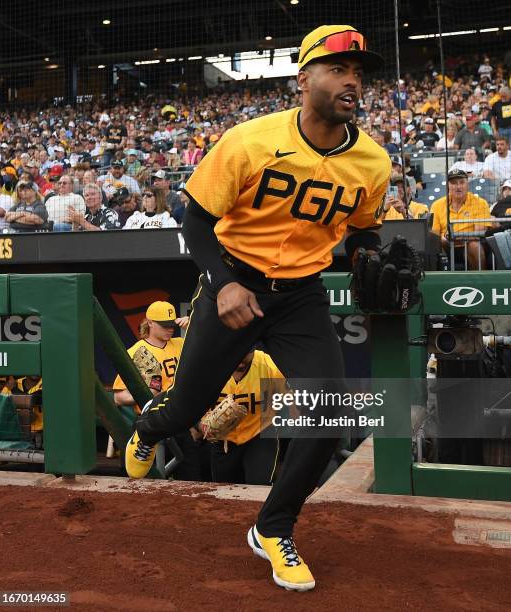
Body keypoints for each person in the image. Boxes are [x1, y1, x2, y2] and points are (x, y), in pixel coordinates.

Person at [125, 24, 389, 592]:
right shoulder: (249, 140)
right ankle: (149, 427)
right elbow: (195, 219)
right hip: (234, 283)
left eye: (359, 73)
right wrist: (220, 281)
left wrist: (372, 262)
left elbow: (365, 234)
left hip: (301, 295)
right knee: (184, 410)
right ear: (304, 79)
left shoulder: (372, 161)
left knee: (331, 410)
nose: (352, 81)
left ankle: (273, 527)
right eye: (339, 68)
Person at [113, 302, 201, 480]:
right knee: (144, 482)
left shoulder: (181, 344)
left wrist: (194, 321)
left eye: (172, 325)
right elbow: (118, 398)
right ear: (150, 323)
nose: (170, 330)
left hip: (179, 422)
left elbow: (211, 338)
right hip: (150, 422)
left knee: (191, 478)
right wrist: (148, 395)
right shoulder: (136, 352)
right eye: (164, 326)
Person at [203, 348, 284, 485]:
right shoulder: (208, 366)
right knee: (224, 491)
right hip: (223, 440)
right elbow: (190, 401)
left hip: (258, 433)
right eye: (236, 349)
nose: (240, 356)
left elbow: (294, 393)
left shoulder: (268, 365)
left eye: (246, 351)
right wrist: (201, 425)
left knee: (258, 486)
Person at [430, 169, 492, 269]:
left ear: (468, 185)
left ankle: (482, 281)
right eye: (454, 183)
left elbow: (478, 234)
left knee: (474, 245)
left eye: (462, 182)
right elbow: (434, 234)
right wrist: (445, 239)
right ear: (448, 186)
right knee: (434, 244)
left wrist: (454, 237)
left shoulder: (480, 203)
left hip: (469, 246)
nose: (458, 187)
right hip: (446, 246)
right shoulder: (437, 205)